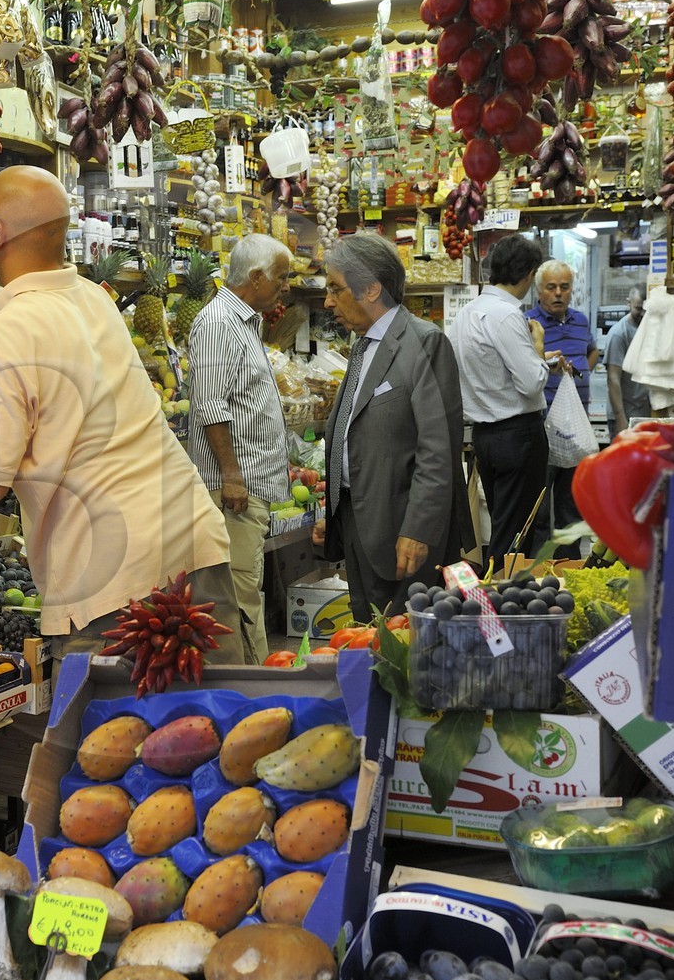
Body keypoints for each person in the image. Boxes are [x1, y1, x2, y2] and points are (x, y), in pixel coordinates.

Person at [0, 167, 243, 663]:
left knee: (121, 738)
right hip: (192, 539)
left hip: (114, 581)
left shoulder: (7, 335)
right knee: (223, 718)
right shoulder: (91, 298)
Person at [312, 234, 471, 620]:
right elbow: (354, 431)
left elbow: (438, 450)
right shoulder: (362, 346)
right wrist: (332, 508)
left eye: (336, 289)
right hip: (358, 524)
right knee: (368, 639)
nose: (328, 301)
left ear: (370, 288)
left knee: (407, 646)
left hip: (402, 528)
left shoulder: (424, 342)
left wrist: (419, 530)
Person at [187, 233, 293, 664]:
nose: (286, 285)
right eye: (281, 277)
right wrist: (231, 476)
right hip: (233, 491)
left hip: (248, 488)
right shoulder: (217, 323)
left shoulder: (242, 322)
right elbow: (210, 405)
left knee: (243, 591)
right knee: (239, 596)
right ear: (256, 276)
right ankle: (253, 687)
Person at [447, 234, 564, 564]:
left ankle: (496, 600)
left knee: (502, 526)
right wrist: (538, 348)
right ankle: (500, 606)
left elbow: (491, 371)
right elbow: (531, 384)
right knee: (516, 534)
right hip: (518, 435)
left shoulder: (467, 314)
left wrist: (538, 360)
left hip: (485, 437)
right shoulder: (507, 315)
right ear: (528, 275)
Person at [525, 259, 599, 534]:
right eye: (551, 287)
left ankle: (569, 568)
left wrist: (580, 374)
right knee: (540, 509)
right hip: (544, 427)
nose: (558, 293)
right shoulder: (529, 324)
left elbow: (592, 351)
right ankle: (539, 570)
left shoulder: (580, 320)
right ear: (539, 290)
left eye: (564, 287)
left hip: (577, 426)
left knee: (572, 506)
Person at [606, 285, 650, 436]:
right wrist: (620, 419)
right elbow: (613, 379)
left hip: (644, 414)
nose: (643, 314)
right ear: (628, 303)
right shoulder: (619, 333)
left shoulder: (650, 329)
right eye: (638, 308)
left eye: (647, 309)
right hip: (624, 415)